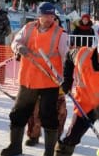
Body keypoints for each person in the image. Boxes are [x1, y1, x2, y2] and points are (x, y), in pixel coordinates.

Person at [0, 2, 68, 156]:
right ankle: (15, 146)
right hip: (28, 80)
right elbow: (15, 42)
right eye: (45, 15)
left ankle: (49, 152)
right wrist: (19, 48)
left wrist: (65, 79)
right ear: (39, 15)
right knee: (18, 113)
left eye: (51, 15)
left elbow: (67, 58)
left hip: (49, 82)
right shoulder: (28, 28)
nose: (48, 18)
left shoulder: (60, 34)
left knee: (48, 116)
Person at [24, 14, 67, 147]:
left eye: (55, 21)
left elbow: (66, 58)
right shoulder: (34, 32)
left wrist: (66, 77)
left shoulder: (62, 36)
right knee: (35, 110)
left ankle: (56, 137)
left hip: (56, 81)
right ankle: (33, 135)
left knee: (58, 112)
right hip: (37, 79)